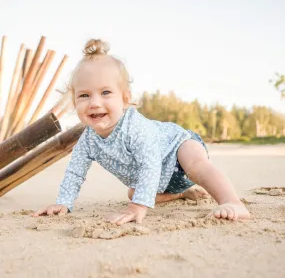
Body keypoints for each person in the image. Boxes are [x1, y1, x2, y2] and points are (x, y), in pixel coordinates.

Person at [33, 39, 250, 225]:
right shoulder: (87, 142)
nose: (94, 103)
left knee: (194, 165)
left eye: (106, 92)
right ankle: (182, 193)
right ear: (74, 101)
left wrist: (138, 207)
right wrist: (64, 202)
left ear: (125, 98)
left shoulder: (134, 128)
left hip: (177, 150)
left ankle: (233, 202)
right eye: (84, 96)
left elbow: (150, 164)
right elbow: (74, 172)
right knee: (133, 191)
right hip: (163, 181)